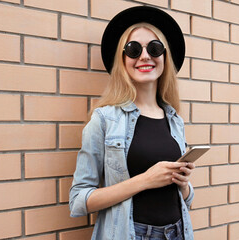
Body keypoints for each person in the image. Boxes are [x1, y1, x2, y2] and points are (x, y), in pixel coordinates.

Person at [69, 6, 195, 240]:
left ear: (165, 58)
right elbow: (79, 201)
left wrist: (183, 183)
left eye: (154, 48)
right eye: (134, 49)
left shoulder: (174, 119)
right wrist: (145, 180)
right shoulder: (104, 119)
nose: (145, 56)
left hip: (178, 232)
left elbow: (187, 200)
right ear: (123, 59)